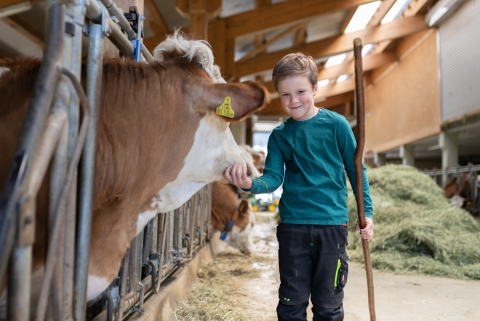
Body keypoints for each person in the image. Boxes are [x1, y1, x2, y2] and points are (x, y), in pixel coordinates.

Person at [224, 52, 374, 321]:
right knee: (291, 303)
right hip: (293, 228)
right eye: (285, 95)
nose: (293, 101)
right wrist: (250, 183)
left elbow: (356, 171)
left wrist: (367, 216)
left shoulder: (337, 125)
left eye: (301, 91)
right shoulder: (280, 136)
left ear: (315, 88)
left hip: (332, 227)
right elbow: (273, 178)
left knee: (328, 304)